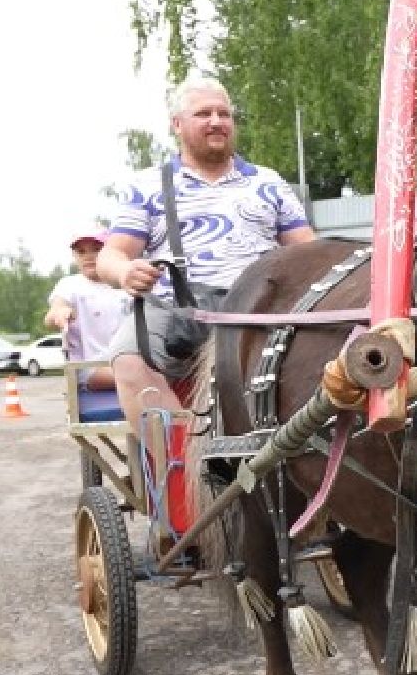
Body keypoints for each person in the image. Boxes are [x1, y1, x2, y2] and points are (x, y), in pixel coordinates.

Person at [97, 76, 316, 435]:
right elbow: (112, 254)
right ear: (177, 125)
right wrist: (125, 273)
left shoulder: (267, 182)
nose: (217, 121)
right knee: (129, 359)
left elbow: (307, 249)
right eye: (203, 113)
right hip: (176, 310)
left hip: (259, 306)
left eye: (224, 114)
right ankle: (183, 472)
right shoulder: (146, 185)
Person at [45, 229, 130, 391]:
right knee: (138, 376)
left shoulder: (125, 284)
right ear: (75, 257)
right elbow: (53, 313)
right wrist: (61, 312)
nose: (88, 256)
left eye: (97, 249)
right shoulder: (71, 285)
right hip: (92, 367)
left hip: (128, 360)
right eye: (81, 252)